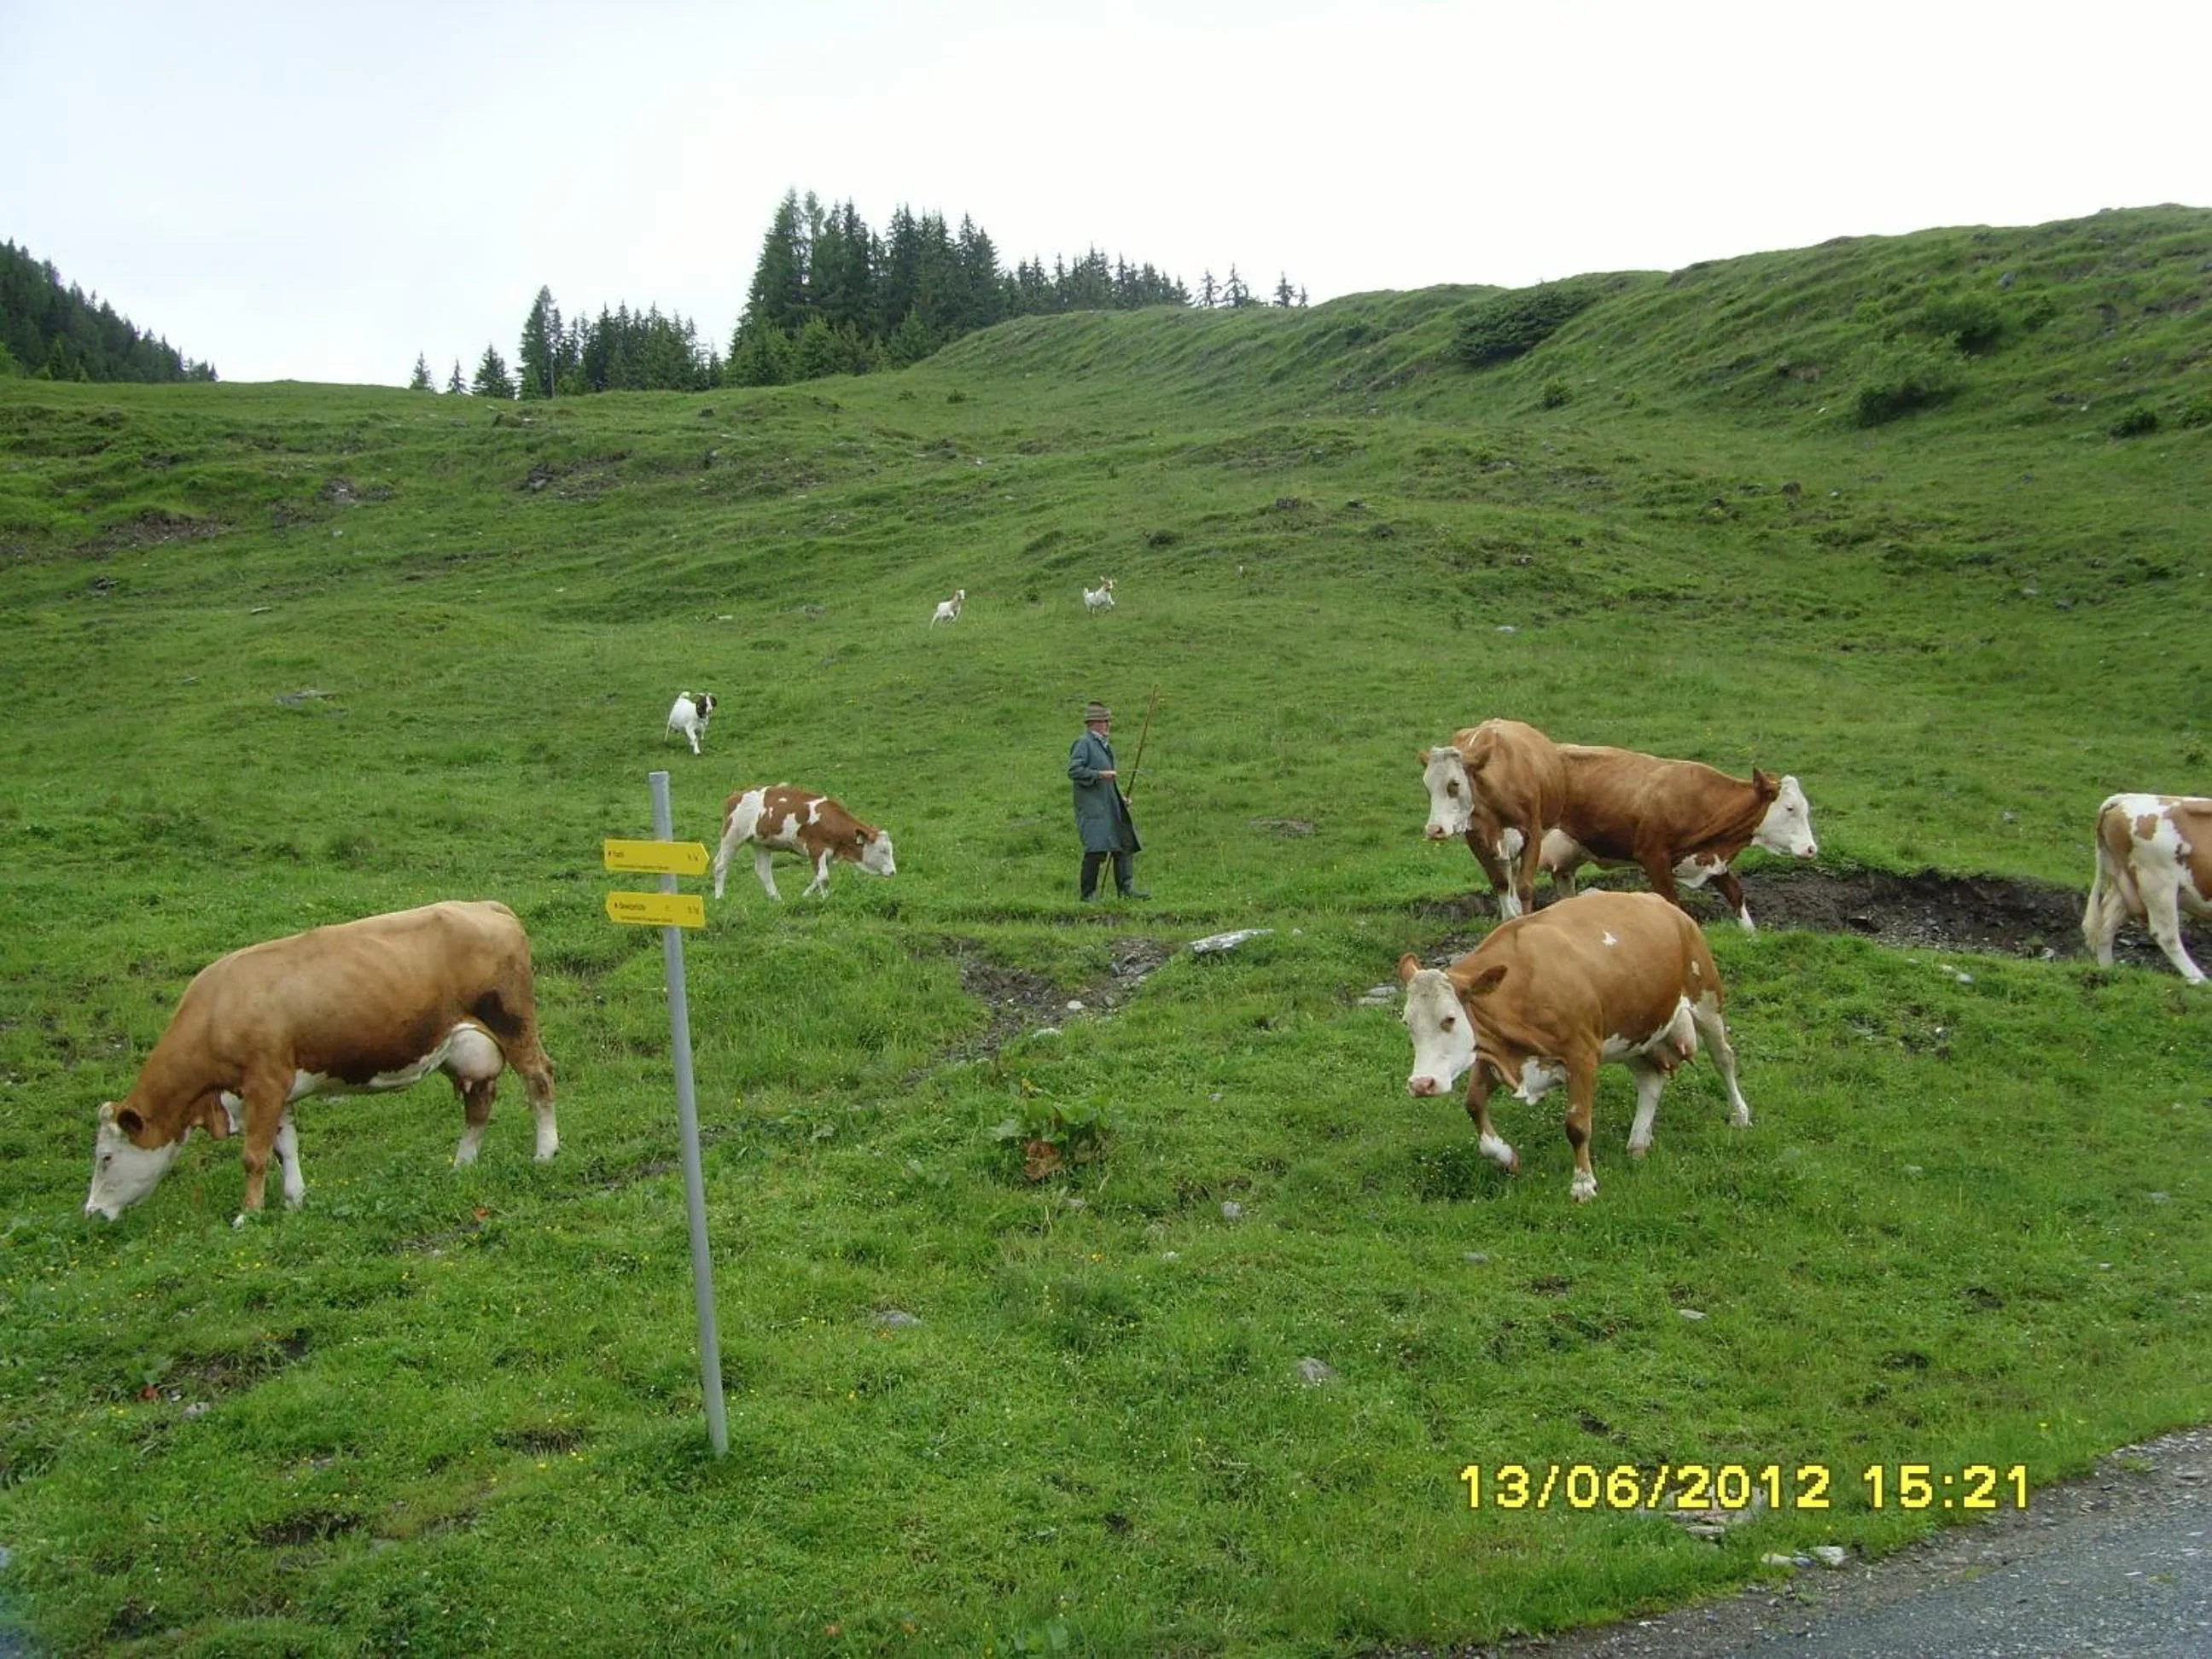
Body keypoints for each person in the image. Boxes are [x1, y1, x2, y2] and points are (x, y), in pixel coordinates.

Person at [1068, 700, 1147, 901]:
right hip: (1093, 809)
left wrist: (1120, 799)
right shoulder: (1083, 744)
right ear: (1094, 723)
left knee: (1123, 844)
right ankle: (1088, 895)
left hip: (1110, 806)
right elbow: (1074, 771)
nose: (1108, 725)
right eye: (1105, 721)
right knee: (1096, 850)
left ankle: (1126, 890)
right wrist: (1099, 774)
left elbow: (1109, 782)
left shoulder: (1105, 746)